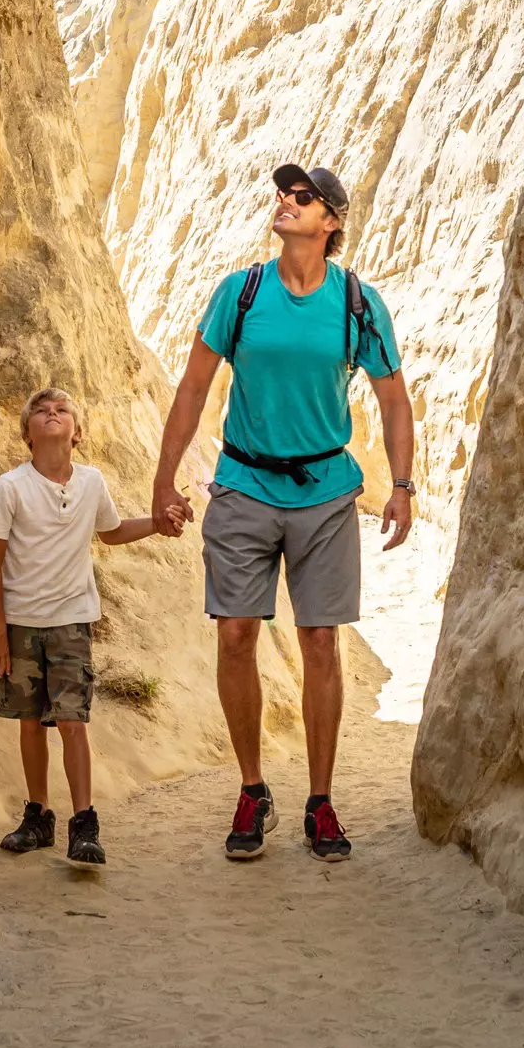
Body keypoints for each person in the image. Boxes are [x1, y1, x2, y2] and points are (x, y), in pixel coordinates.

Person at [154, 162, 415, 862]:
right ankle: (251, 789)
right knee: (235, 633)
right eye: (283, 193)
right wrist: (164, 478)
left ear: (331, 222)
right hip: (242, 483)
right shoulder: (239, 295)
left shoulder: (358, 302)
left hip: (327, 492)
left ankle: (321, 802)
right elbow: (192, 388)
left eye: (302, 197)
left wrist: (403, 484)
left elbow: (393, 398)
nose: (286, 202)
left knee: (321, 643)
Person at [0, 386, 179, 864]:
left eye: (61, 409)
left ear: (78, 432)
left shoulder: (92, 483)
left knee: (72, 720)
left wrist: (156, 522)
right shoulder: (10, 487)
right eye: (41, 411)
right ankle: (38, 816)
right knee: (30, 722)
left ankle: (84, 824)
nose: (51, 413)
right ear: (27, 434)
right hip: (22, 623)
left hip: (71, 621)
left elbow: (109, 533)